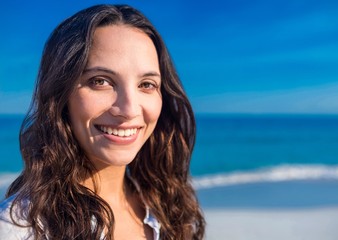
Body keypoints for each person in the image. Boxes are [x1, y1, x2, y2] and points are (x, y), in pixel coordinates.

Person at [0, 4, 205, 240]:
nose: (129, 110)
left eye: (146, 84)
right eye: (101, 81)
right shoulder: (20, 229)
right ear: (60, 95)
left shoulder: (170, 206)